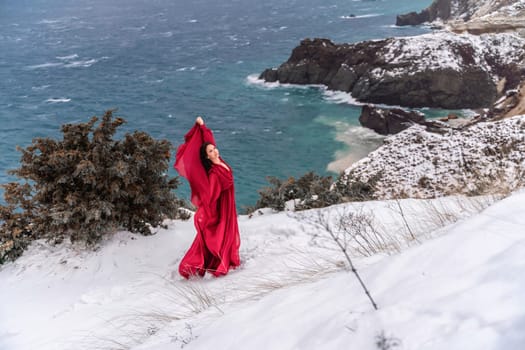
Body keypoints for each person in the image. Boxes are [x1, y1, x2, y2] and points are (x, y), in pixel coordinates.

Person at [174, 116, 241, 278]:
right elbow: (211, 196)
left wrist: (202, 126)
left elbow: (209, 140)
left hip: (229, 203)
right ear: (207, 157)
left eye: (214, 149)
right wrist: (204, 213)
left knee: (228, 233)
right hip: (222, 206)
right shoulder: (213, 173)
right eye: (210, 151)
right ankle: (216, 262)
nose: (214, 151)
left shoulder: (220, 160)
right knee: (222, 233)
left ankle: (225, 258)